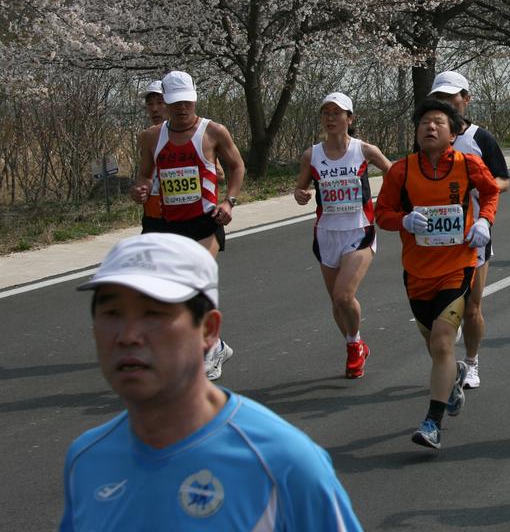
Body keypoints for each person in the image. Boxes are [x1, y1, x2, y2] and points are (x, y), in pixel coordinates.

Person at [64, 234, 363, 531]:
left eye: (153, 313)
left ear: (209, 329)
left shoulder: (283, 462)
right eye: (111, 313)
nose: (128, 336)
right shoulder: (86, 459)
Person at [375, 98, 500, 450]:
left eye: (438, 122)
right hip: (416, 271)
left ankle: (432, 422)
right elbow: (381, 212)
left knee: (444, 341)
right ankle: (454, 378)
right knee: (436, 347)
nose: (430, 127)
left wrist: (486, 222)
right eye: (424, 122)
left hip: (457, 267)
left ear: (453, 132)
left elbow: (490, 191)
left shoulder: (467, 164)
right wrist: (402, 220)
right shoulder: (401, 171)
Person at [130, 70, 244, 381]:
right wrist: (140, 189)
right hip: (170, 224)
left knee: (197, 281)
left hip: (206, 221)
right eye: (176, 103)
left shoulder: (213, 132)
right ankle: (213, 343)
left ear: (194, 100)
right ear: (164, 103)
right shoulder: (151, 137)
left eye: (187, 102)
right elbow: (143, 175)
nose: (182, 108)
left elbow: (237, 166)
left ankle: (209, 350)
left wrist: (229, 202)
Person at [293, 92, 392, 379]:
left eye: (337, 113)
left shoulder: (364, 150)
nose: (331, 118)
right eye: (326, 113)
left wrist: (386, 200)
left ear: (350, 118)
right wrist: (301, 194)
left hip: (359, 231)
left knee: (343, 294)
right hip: (326, 234)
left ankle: (353, 348)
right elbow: (301, 189)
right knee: (336, 302)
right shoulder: (312, 155)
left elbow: (392, 172)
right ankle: (355, 343)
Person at [427, 70, 510, 390]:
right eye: (440, 99)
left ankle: (472, 362)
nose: (447, 104)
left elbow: (502, 180)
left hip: (474, 233)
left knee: (473, 306)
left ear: (466, 99)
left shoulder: (480, 139)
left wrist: (481, 208)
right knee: (439, 308)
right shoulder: (427, 137)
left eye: (452, 97)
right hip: (436, 236)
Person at [137, 81, 167, 235]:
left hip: (183, 214)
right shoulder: (146, 137)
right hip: (153, 215)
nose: (154, 109)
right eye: (150, 104)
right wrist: (139, 190)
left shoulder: (189, 135)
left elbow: (218, 173)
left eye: (160, 103)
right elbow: (144, 175)